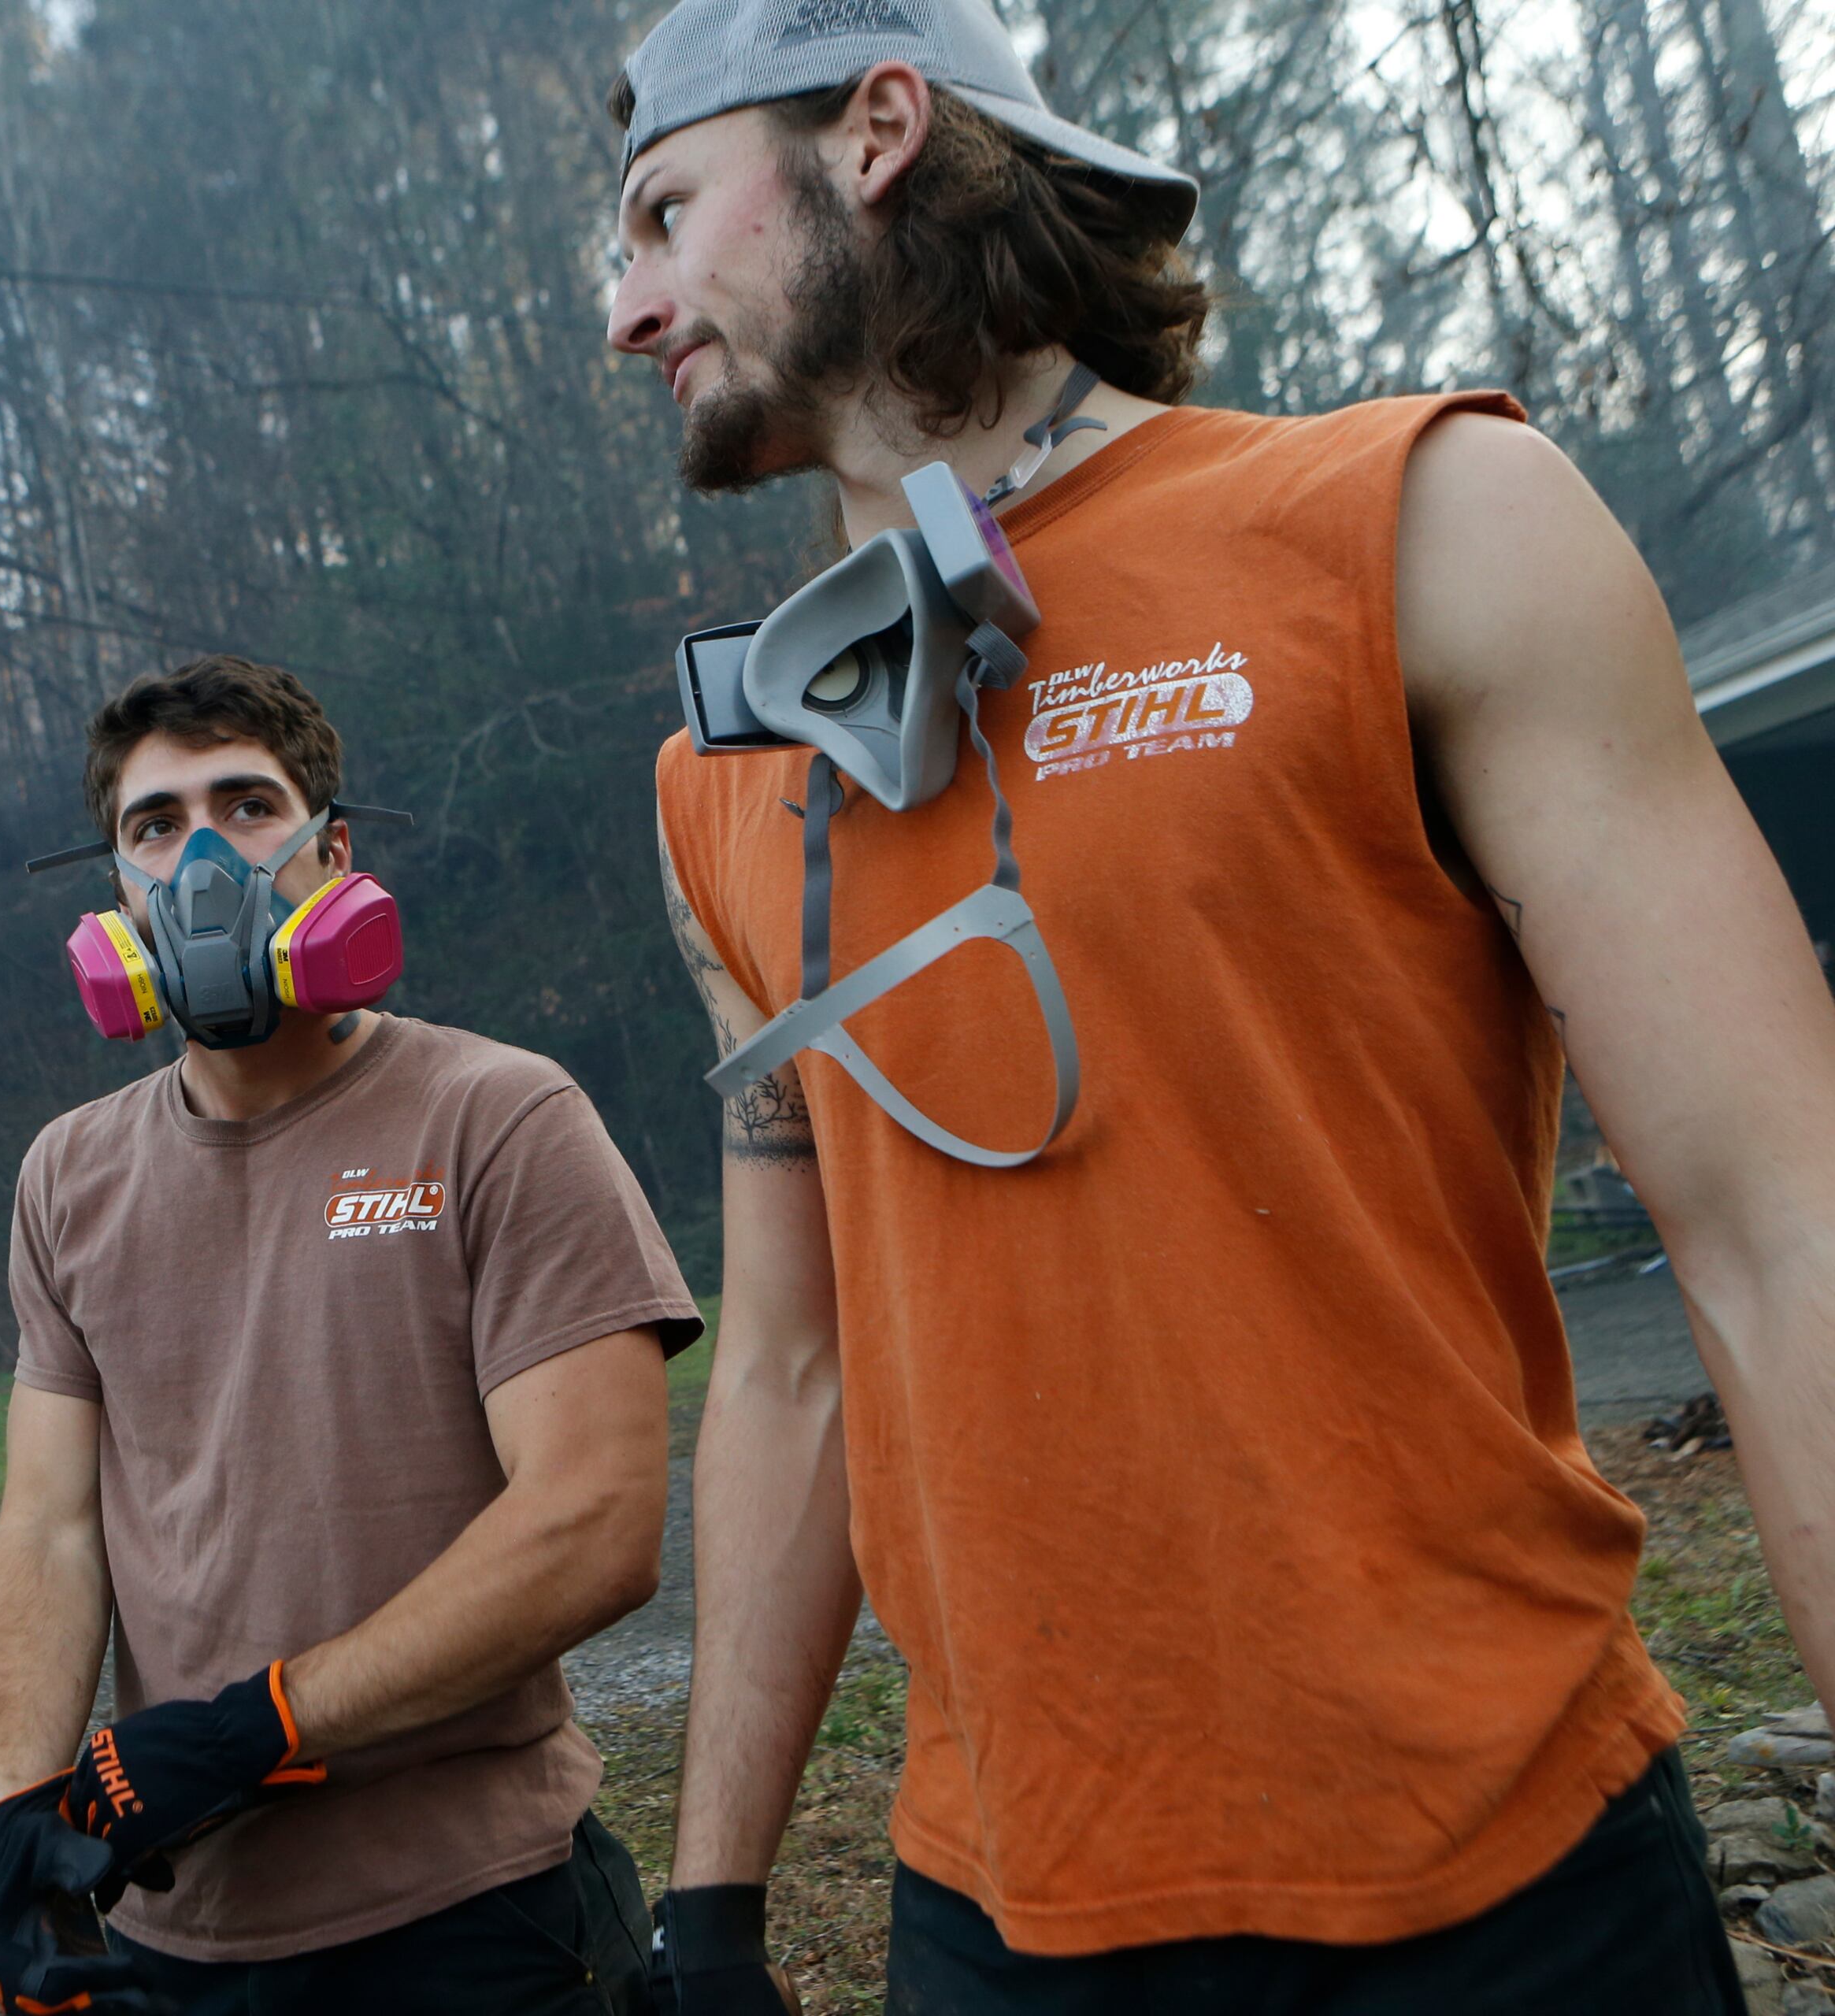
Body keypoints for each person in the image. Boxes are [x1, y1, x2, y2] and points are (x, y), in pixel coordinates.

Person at [602, 5, 1835, 2012]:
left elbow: (1788, 1232)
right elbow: (790, 1365)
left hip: (1499, 1890)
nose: (627, 310)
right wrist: (713, 1897)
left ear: (880, 131)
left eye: (662, 214)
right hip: (994, 1918)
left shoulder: (1422, 526)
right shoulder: (722, 786)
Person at [0, 655, 703, 2015]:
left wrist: (263, 1725)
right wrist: (11, 1816)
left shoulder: (499, 1116)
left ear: (332, 850)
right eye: (154, 825)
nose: (201, 859)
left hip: (476, 1922)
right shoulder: (66, 1175)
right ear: (116, 895)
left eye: (246, 805)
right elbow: (47, 1530)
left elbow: (596, 1523)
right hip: (174, 1945)